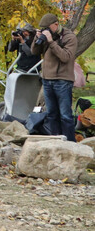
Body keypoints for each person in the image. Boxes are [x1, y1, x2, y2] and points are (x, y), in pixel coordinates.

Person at [34, 13, 85, 141]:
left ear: (56, 24)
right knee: (51, 114)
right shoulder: (46, 37)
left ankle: (69, 143)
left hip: (62, 81)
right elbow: (34, 52)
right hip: (47, 80)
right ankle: (55, 141)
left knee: (65, 115)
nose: (45, 30)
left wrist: (51, 41)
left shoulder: (69, 37)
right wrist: (37, 39)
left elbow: (65, 57)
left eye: (47, 27)